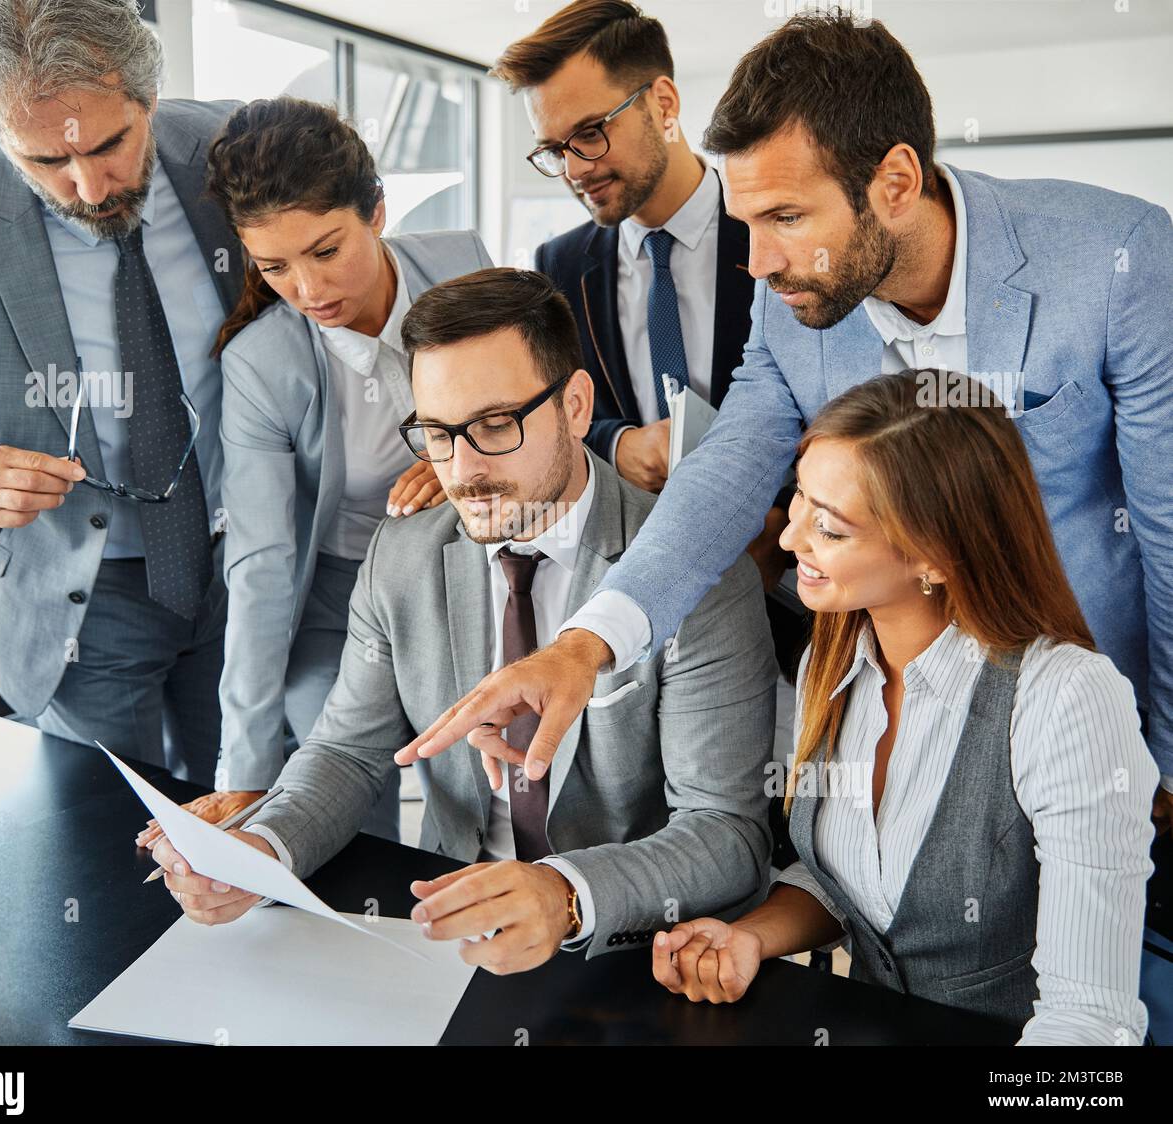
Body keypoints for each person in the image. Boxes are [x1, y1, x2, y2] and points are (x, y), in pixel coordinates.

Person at [395, 11, 1173, 844]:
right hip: (893, 706)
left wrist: (1161, 754)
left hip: (1087, 698)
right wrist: (585, 645)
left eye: (787, 219)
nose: (757, 263)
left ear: (897, 183)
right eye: (749, 220)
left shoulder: (1115, 260)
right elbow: (725, 473)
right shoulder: (790, 294)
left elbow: (1165, 531)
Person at [145, 268, 778, 974]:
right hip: (446, 939)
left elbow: (726, 833)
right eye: (438, 433)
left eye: (494, 424)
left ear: (575, 405)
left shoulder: (695, 572)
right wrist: (261, 853)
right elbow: (346, 754)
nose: (462, 469)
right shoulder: (403, 552)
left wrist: (565, 894)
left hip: (633, 952)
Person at [652, 371, 1157, 1046]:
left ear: (934, 557)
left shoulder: (1067, 699)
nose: (787, 539)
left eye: (828, 527)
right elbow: (859, 878)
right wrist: (752, 936)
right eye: (798, 500)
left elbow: (1089, 1022)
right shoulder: (830, 661)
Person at [0, 0, 239, 783]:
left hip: (248, 563)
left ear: (148, 91)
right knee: (109, 845)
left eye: (111, 143)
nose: (88, 184)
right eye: (45, 162)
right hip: (79, 601)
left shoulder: (238, 146)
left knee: (257, 818)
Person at [133, 98, 492, 845]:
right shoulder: (262, 362)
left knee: (472, 799)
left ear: (379, 213)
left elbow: (530, 420)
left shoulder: (464, 266)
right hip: (336, 602)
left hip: (468, 584)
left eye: (326, 250)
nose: (307, 288)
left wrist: (461, 465)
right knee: (342, 809)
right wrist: (244, 772)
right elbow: (261, 564)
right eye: (274, 265)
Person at [494, 0, 800, 681]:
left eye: (590, 133)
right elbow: (556, 416)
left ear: (663, 102)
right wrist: (616, 443)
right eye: (554, 149)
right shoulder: (560, 265)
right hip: (628, 603)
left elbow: (832, 404)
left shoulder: (774, 235)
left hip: (786, 591)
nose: (574, 168)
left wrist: (778, 523)